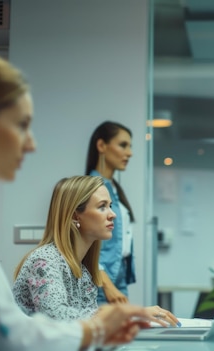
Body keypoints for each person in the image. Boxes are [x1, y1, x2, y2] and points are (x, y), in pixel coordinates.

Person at [0, 46, 157, 351]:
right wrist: (96, 331)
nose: (31, 144)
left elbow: (2, 323)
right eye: (21, 125)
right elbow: (4, 332)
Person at [13, 175, 178, 326]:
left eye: (110, 206)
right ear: (75, 216)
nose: (112, 214)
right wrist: (130, 314)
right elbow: (56, 317)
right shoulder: (44, 261)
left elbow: (89, 327)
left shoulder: (84, 273)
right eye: (102, 207)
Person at [85, 121, 136, 304]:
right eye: (123, 145)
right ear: (101, 146)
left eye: (130, 146)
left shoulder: (113, 188)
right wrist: (106, 285)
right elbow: (85, 242)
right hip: (101, 277)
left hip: (118, 273)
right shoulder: (91, 187)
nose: (129, 153)